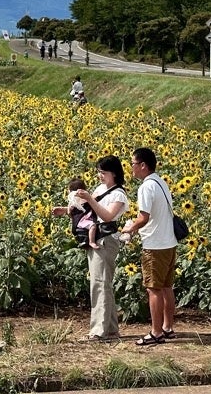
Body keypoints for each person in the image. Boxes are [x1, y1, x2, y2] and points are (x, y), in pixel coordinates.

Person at [52, 155, 128, 341]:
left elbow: (107, 216)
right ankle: (110, 330)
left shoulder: (119, 195)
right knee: (102, 284)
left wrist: (90, 199)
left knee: (100, 285)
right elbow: (86, 209)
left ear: (114, 173)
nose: (100, 176)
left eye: (103, 172)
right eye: (98, 172)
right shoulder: (101, 189)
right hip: (95, 238)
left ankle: (98, 331)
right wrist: (65, 210)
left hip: (106, 240)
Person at [122, 147, 178, 346]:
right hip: (169, 242)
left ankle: (156, 332)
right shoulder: (160, 181)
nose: (131, 168)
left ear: (143, 165)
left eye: (133, 164)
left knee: (153, 289)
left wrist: (129, 229)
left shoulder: (146, 187)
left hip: (154, 244)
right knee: (166, 287)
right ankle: (168, 327)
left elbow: (143, 217)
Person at [66, 178, 99, 250]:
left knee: (91, 227)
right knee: (92, 226)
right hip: (82, 221)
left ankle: (86, 242)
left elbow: (69, 212)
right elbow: (69, 212)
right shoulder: (75, 201)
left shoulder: (83, 198)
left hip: (84, 219)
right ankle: (91, 242)